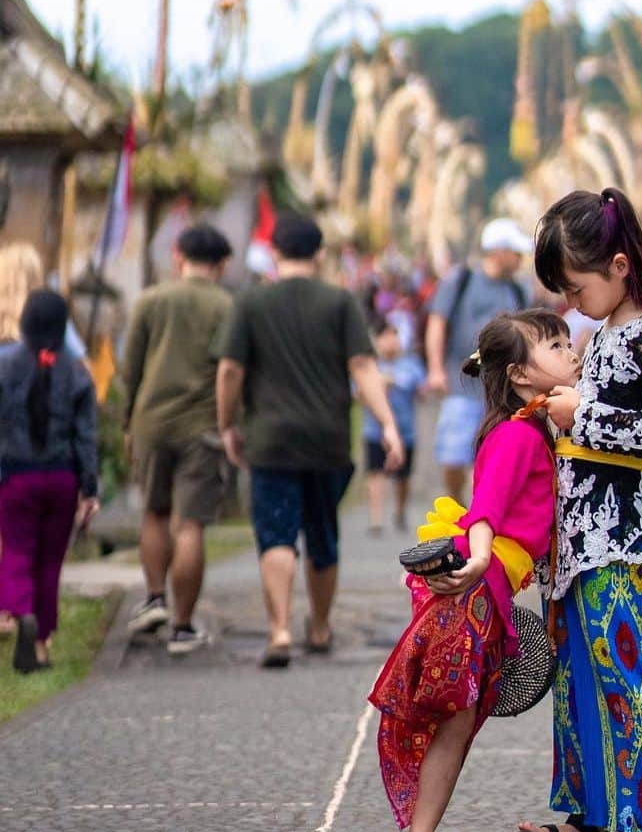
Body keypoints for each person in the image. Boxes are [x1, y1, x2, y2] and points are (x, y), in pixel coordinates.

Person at [515, 187, 642, 832]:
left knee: (630, 674)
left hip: (623, 536)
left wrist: (580, 417)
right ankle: (590, 821)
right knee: (577, 682)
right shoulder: (595, 335)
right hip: (575, 543)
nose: (570, 299)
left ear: (620, 266)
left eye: (576, 285)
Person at [369, 309, 579, 832]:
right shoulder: (515, 434)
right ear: (519, 375)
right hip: (476, 592)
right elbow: (485, 507)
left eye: (567, 341)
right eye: (555, 345)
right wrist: (482, 555)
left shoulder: (537, 426)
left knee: (460, 722)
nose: (571, 351)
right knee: (454, 722)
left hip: (491, 592)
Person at [215, 214, 405, 668]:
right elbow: (363, 366)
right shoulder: (340, 302)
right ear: (320, 254)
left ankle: (279, 629)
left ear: (275, 252)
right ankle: (319, 626)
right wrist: (389, 424)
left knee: (276, 535)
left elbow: (229, 370)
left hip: (270, 438)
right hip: (328, 440)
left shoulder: (251, 303)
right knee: (323, 533)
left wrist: (228, 423)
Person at [121, 223, 234, 655]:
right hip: (201, 425)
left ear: (177, 255)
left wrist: (129, 420)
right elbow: (233, 368)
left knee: (154, 511)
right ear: (222, 264)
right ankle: (183, 626)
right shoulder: (227, 306)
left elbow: (130, 368)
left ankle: (154, 598)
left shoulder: (151, 300)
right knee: (190, 524)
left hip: (151, 421)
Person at [0, 290, 99, 673]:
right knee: (50, 563)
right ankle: (40, 646)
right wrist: (89, 489)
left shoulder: (4, 366)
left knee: (18, 550)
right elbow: (86, 437)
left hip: (15, 478)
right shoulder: (77, 372)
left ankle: (21, 610)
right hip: (61, 479)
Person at [424, 218, 533, 505]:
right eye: (515, 252)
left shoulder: (518, 290)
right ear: (498, 251)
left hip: (500, 393)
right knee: (452, 455)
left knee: (490, 459)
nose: (520, 259)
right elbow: (438, 323)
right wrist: (435, 369)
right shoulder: (462, 280)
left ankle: (479, 512)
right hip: (462, 385)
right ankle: (455, 501)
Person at [363, 316, 426, 536]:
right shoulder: (367, 365)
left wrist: (391, 380)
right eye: (384, 336)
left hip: (405, 431)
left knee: (403, 477)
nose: (390, 341)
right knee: (375, 473)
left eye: (393, 336)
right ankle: (376, 519)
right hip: (374, 430)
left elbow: (419, 386)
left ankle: (400, 511)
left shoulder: (410, 364)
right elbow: (359, 392)